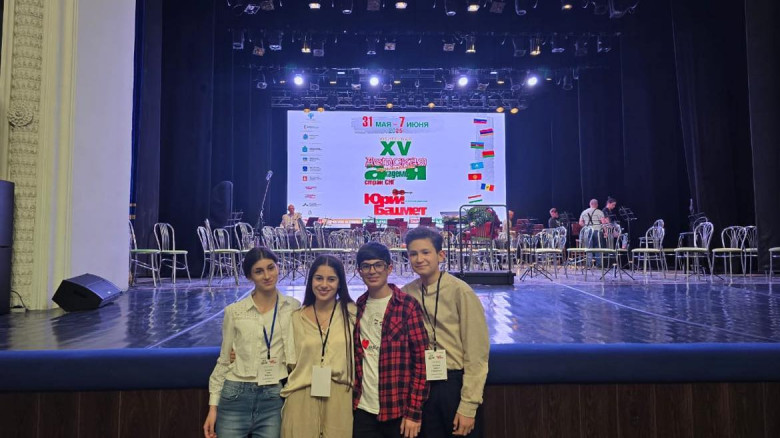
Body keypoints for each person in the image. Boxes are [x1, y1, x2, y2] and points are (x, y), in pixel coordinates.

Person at [204, 247, 300, 438]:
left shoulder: (293, 307)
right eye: (259, 271)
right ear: (250, 276)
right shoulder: (234, 311)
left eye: (271, 268)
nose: (267, 276)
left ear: (278, 267)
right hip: (235, 393)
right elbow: (224, 360)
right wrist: (213, 407)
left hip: (273, 395)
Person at [402, 227, 489, 438]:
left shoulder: (460, 291)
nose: (419, 259)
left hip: (454, 384)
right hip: (422, 385)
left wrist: (468, 405)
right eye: (413, 254)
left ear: (441, 255)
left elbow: (476, 353)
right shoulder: (407, 293)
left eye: (425, 252)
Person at [352, 241, 429, 438]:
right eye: (366, 266)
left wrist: (413, 412)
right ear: (359, 271)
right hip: (362, 409)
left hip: (397, 409)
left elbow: (421, 362)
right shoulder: (358, 306)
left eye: (378, 265)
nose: (372, 271)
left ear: (389, 268)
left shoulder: (407, 305)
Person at [281, 255, 356, 438]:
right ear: (311, 281)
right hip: (301, 396)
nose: (324, 285)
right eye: (319, 278)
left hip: (340, 397)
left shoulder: (352, 314)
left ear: (340, 283)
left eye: (331, 279)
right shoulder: (295, 318)